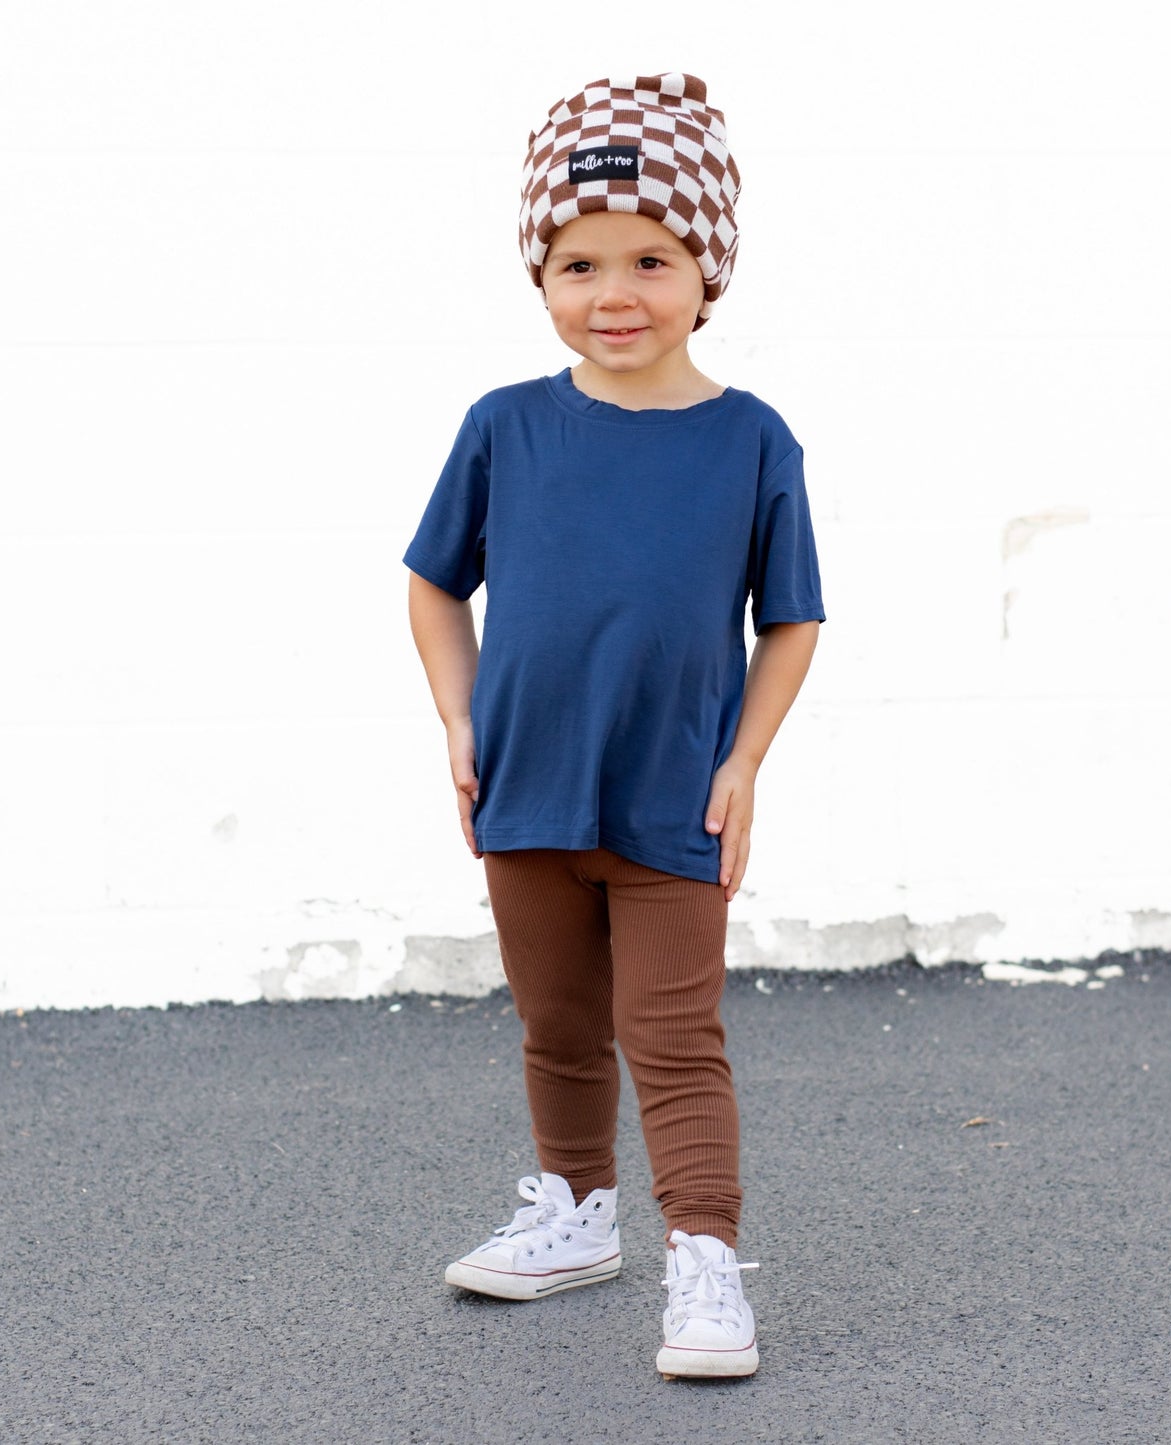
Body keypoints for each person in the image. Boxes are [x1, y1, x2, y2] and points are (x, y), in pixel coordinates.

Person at [403, 73, 824, 1380]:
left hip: (670, 796)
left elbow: (791, 620)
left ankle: (703, 1255)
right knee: (558, 1026)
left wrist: (743, 763)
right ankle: (576, 1214)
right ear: (540, 278)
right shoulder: (503, 427)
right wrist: (459, 720)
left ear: (708, 271)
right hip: (525, 789)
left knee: (673, 1035)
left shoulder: (751, 441)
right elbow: (432, 584)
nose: (614, 292)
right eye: (577, 264)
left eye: (651, 259)